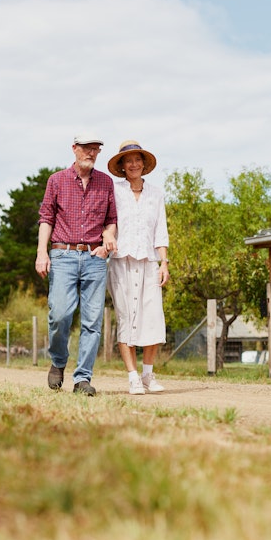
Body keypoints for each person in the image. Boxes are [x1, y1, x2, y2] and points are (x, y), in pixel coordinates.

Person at [35, 132, 118, 396]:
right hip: (63, 255)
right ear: (74, 149)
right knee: (59, 314)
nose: (91, 153)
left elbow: (111, 219)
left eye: (95, 149)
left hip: (94, 258)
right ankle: (58, 361)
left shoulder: (106, 183)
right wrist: (41, 252)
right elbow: (46, 217)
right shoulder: (56, 181)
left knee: (93, 321)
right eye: (86, 148)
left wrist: (108, 240)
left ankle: (83, 379)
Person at [106, 140, 170, 395]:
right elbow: (104, 220)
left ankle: (147, 375)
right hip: (121, 261)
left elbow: (161, 231)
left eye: (137, 160)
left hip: (149, 261)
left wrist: (164, 262)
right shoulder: (114, 191)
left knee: (153, 317)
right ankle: (132, 377)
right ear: (122, 166)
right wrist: (106, 235)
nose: (133, 164)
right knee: (126, 317)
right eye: (128, 161)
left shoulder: (156, 194)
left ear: (143, 164)